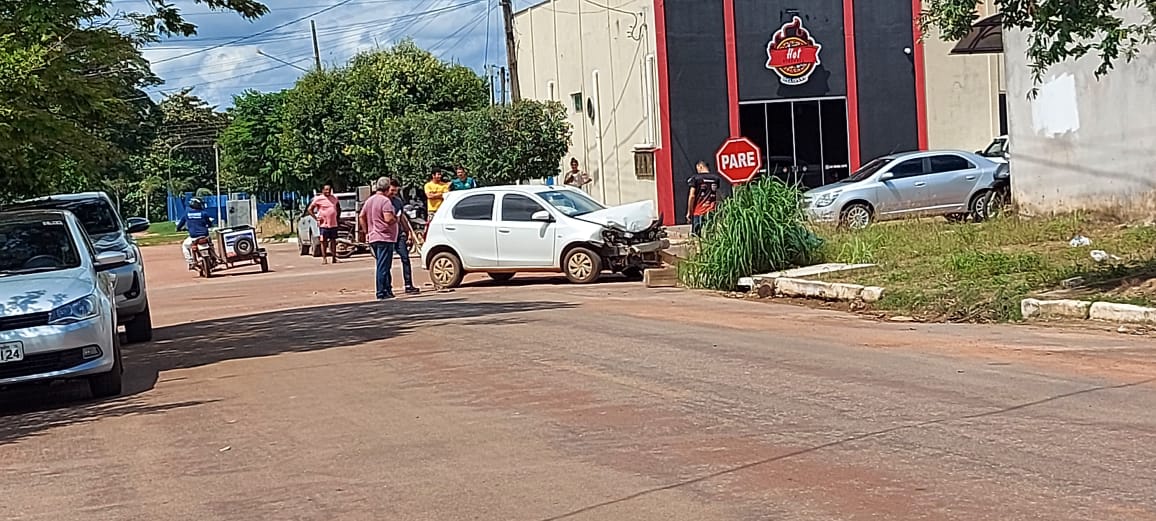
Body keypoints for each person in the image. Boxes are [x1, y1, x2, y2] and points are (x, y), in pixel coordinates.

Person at [359, 177, 400, 300]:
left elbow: (361, 216)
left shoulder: (369, 200)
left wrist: (367, 231)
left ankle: (387, 290)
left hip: (374, 237)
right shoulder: (385, 201)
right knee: (383, 266)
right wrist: (396, 219)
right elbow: (388, 219)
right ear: (387, 188)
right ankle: (381, 291)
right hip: (384, 237)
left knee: (383, 265)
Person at [388, 178, 421, 295]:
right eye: (392, 190)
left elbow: (402, 217)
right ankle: (388, 287)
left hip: (399, 234)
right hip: (387, 235)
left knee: (405, 258)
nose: (394, 193)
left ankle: (408, 284)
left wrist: (409, 233)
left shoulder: (398, 201)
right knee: (387, 262)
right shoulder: (383, 201)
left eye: (396, 191)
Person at [686, 161, 725, 237]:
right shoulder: (715, 179)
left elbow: (692, 196)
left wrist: (689, 211)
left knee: (696, 237)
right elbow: (718, 195)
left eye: (698, 169)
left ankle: (698, 248)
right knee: (710, 235)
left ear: (700, 167)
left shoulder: (695, 178)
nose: (698, 171)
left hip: (698, 212)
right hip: (711, 211)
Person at [177, 197, 215, 270]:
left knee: (185, 246)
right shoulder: (204, 213)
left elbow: (181, 223)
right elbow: (209, 223)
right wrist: (209, 225)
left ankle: (190, 262)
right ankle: (213, 257)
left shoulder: (187, 213)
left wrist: (178, 229)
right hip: (205, 235)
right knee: (210, 244)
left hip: (194, 237)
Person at [306, 184, 340, 264]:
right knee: (323, 241)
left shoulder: (334, 198)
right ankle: (324, 258)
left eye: (329, 189)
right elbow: (310, 209)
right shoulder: (318, 199)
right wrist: (316, 217)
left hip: (333, 223)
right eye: (326, 190)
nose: (327, 191)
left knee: (333, 241)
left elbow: (338, 208)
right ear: (323, 190)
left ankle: (334, 258)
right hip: (323, 224)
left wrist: (337, 217)